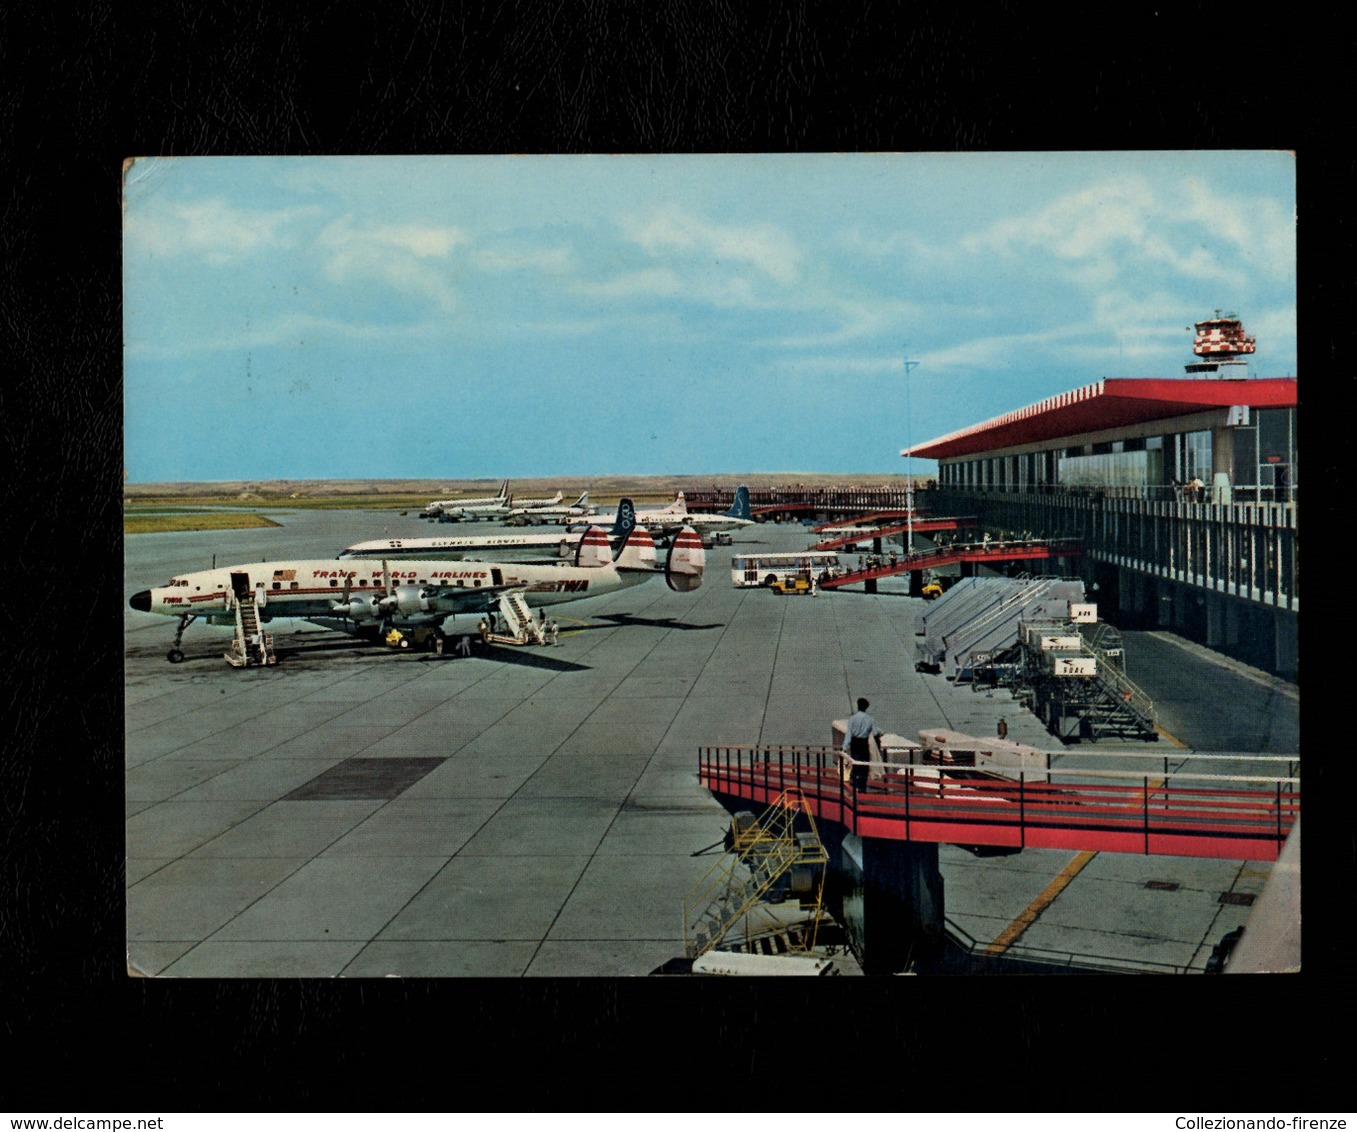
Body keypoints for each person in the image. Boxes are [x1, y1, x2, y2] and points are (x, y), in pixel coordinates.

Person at [842, 697, 878, 792]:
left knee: (855, 763)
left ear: (858, 706)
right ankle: (862, 787)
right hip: (864, 743)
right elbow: (875, 733)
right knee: (864, 766)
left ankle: (855, 786)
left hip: (855, 743)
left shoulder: (852, 719)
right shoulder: (870, 719)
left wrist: (844, 747)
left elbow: (849, 734)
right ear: (866, 707)